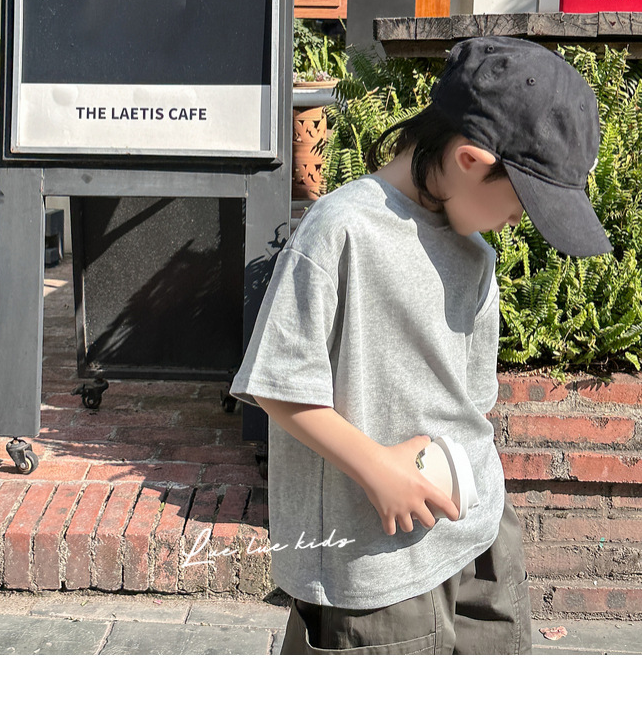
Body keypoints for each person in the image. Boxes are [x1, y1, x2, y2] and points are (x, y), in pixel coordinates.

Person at [230, 36, 612, 655]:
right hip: (374, 559)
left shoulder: (476, 254)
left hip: (480, 533)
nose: (521, 223)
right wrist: (378, 468)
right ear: (470, 160)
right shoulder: (341, 229)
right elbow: (277, 385)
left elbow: (474, 403)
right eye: (525, 202)